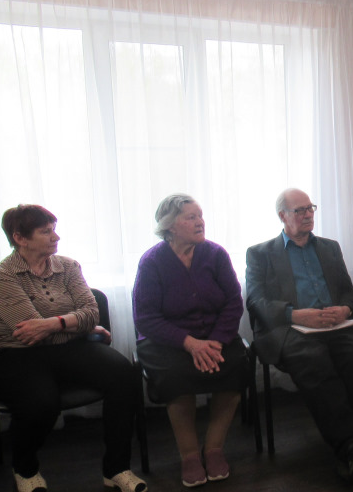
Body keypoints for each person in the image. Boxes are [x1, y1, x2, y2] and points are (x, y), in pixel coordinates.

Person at [0, 205, 146, 492]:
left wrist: (59, 324)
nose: (55, 237)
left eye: (53, 230)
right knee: (41, 403)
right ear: (20, 238)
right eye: (46, 232)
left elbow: (91, 312)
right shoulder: (1, 275)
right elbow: (29, 332)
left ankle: (116, 468)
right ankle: (24, 469)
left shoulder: (68, 266)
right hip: (14, 354)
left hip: (68, 347)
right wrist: (81, 326)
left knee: (123, 375)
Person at [245, 188, 353, 482]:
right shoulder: (260, 254)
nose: (308, 215)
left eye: (310, 208)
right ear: (283, 216)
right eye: (300, 210)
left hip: (334, 324)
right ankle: (352, 444)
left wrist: (344, 309)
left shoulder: (329, 248)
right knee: (315, 362)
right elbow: (256, 301)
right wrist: (295, 314)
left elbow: (348, 291)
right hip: (292, 329)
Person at [133, 194, 248, 487]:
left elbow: (233, 303)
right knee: (176, 377)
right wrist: (189, 343)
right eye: (191, 217)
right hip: (167, 341)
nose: (200, 222)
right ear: (170, 226)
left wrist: (217, 341)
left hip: (215, 336)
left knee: (234, 366)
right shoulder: (151, 262)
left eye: (200, 216)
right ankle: (189, 455)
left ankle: (214, 449)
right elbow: (146, 318)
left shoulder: (216, 254)